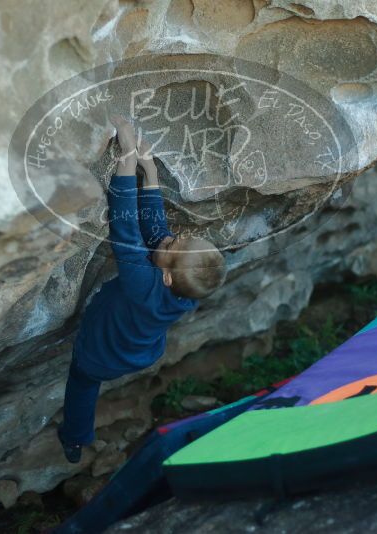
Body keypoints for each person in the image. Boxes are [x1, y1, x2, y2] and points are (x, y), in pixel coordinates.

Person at [57, 115, 227, 463]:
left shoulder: (141, 284)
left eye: (171, 246)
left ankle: (74, 438)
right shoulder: (183, 289)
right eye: (179, 239)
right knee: (157, 242)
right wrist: (149, 174)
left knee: (82, 387)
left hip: (99, 354)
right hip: (139, 351)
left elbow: (128, 231)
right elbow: (156, 232)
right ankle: (78, 439)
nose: (168, 238)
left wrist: (127, 160)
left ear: (164, 276)